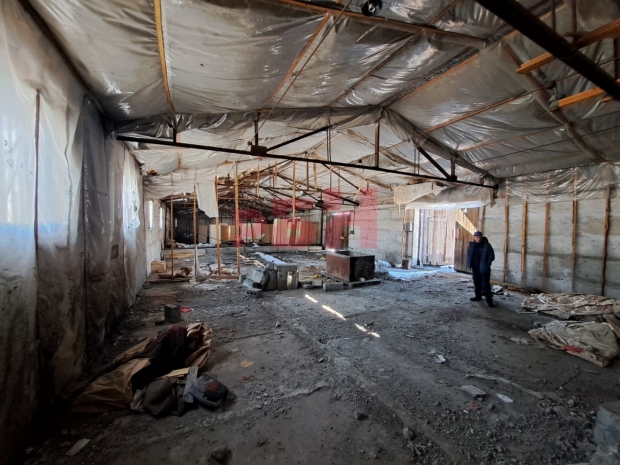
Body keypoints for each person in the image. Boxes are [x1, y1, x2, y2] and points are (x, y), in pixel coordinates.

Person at [466, 231, 495, 307]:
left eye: (479, 237)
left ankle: (489, 302)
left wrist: (487, 265)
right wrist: (470, 264)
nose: (478, 239)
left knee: (485, 285)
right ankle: (478, 296)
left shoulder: (486, 245)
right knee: (476, 283)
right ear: (474, 237)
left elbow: (492, 256)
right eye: (477, 237)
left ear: (481, 237)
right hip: (475, 268)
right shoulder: (472, 245)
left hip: (484, 269)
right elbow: (469, 254)